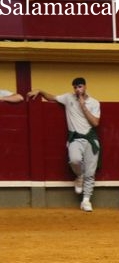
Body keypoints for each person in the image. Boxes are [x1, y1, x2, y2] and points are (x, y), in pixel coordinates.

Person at [27, 78, 101, 212]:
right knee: (74, 160)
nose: (77, 89)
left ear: (85, 87)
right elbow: (52, 97)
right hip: (75, 138)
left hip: (91, 139)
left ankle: (86, 200)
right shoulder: (68, 98)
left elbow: (95, 123)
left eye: (80, 86)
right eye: (75, 87)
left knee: (90, 172)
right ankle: (79, 176)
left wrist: (83, 106)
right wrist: (40, 91)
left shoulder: (94, 102)